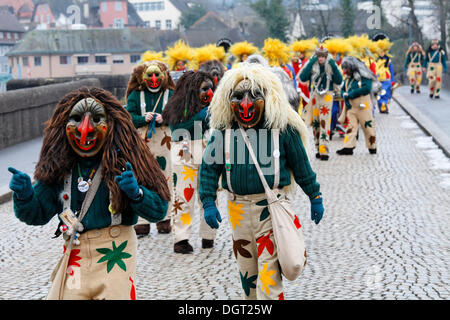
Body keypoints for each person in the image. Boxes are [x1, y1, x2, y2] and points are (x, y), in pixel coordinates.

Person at [7, 87, 170, 300]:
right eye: (76, 119)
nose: (85, 129)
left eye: (96, 119)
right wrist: (24, 196)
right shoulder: (59, 167)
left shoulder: (127, 163)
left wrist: (137, 193)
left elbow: (159, 209)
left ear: (111, 125)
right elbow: (36, 214)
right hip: (76, 250)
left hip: (116, 248)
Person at [199, 63, 324, 300]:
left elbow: (302, 167)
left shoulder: (283, 130)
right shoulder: (223, 132)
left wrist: (314, 196)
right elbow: (208, 169)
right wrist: (208, 201)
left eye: (254, 96)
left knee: (269, 276)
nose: (245, 104)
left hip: (270, 209)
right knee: (248, 277)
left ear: (267, 98)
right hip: (237, 211)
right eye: (238, 97)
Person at [162, 71, 217, 254]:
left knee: (208, 194)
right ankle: (181, 238)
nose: (208, 92)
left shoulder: (212, 106)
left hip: (208, 151)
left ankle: (208, 235)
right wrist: (199, 117)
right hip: (185, 151)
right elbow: (176, 127)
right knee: (184, 195)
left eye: (210, 88)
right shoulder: (179, 105)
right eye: (204, 89)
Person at [125, 60, 175, 235]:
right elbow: (127, 116)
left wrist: (165, 118)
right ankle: (142, 219)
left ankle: (165, 218)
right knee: (142, 177)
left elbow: (180, 115)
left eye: (157, 76)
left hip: (164, 141)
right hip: (142, 142)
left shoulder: (172, 93)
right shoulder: (135, 95)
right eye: (150, 76)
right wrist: (141, 119)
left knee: (165, 177)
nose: (154, 79)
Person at [300, 45, 343, 160]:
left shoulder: (330, 65)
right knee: (316, 123)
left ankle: (324, 150)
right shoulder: (313, 65)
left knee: (325, 122)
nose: (321, 58)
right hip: (315, 95)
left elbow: (339, 80)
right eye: (319, 56)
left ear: (326, 56)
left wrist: (333, 65)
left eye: (323, 56)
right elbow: (303, 78)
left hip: (327, 95)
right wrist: (310, 62)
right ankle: (318, 146)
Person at [336, 56, 378, 155]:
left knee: (368, 127)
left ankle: (372, 146)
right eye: (344, 68)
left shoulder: (364, 76)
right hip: (351, 107)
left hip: (363, 106)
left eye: (346, 68)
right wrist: (344, 94)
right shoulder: (348, 79)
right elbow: (342, 89)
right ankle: (348, 147)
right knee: (351, 127)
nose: (345, 71)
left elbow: (367, 88)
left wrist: (352, 93)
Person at [374, 38, 395, 113]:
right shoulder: (375, 60)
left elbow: (391, 70)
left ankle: (384, 106)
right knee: (379, 94)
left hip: (386, 79)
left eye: (383, 51)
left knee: (386, 94)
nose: (381, 53)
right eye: (380, 51)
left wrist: (392, 80)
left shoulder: (388, 61)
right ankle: (382, 106)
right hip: (378, 79)